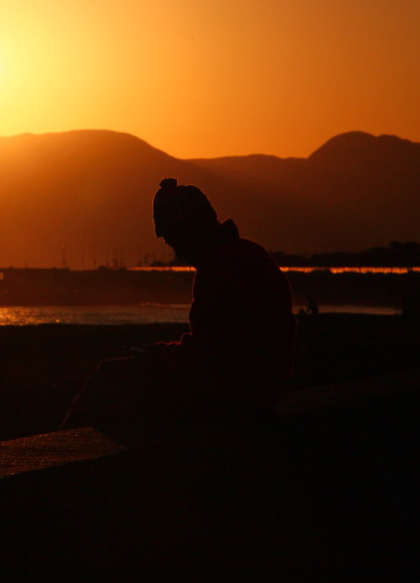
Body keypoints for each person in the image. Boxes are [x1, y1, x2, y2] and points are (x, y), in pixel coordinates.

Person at [62, 177, 296, 430]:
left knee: (109, 378)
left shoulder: (222, 268)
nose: (174, 249)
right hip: (261, 387)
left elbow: (215, 353)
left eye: (173, 240)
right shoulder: (245, 254)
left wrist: (160, 355)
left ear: (188, 230)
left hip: (236, 393)